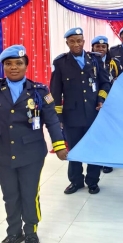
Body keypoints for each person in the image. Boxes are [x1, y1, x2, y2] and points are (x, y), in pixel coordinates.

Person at [0, 45, 68, 243]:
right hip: (4, 153)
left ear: (26, 66)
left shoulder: (39, 91)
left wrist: (59, 145)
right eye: (8, 64)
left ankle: (31, 231)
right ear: (3, 67)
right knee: (10, 196)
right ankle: (13, 232)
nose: (13, 67)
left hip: (31, 154)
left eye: (18, 63)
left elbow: (53, 120)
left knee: (30, 194)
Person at [50, 27, 111, 195]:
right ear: (67, 43)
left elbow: (105, 83)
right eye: (72, 41)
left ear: (84, 42)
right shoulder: (60, 63)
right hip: (72, 116)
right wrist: (59, 117)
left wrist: (101, 99)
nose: (76, 44)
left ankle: (92, 181)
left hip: (94, 114)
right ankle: (76, 181)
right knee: (75, 150)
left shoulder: (96, 59)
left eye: (79, 40)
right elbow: (55, 92)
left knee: (94, 148)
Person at [91, 35, 122, 174]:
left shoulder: (114, 62)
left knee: (109, 132)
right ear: (92, 47)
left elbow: (121, 78)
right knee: (97, 131)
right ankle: (97, 159)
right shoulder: (88, 61)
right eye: (97, 46)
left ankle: (107, 161)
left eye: (103, 47)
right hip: (93, 102)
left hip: (112, 101)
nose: (100, 49)